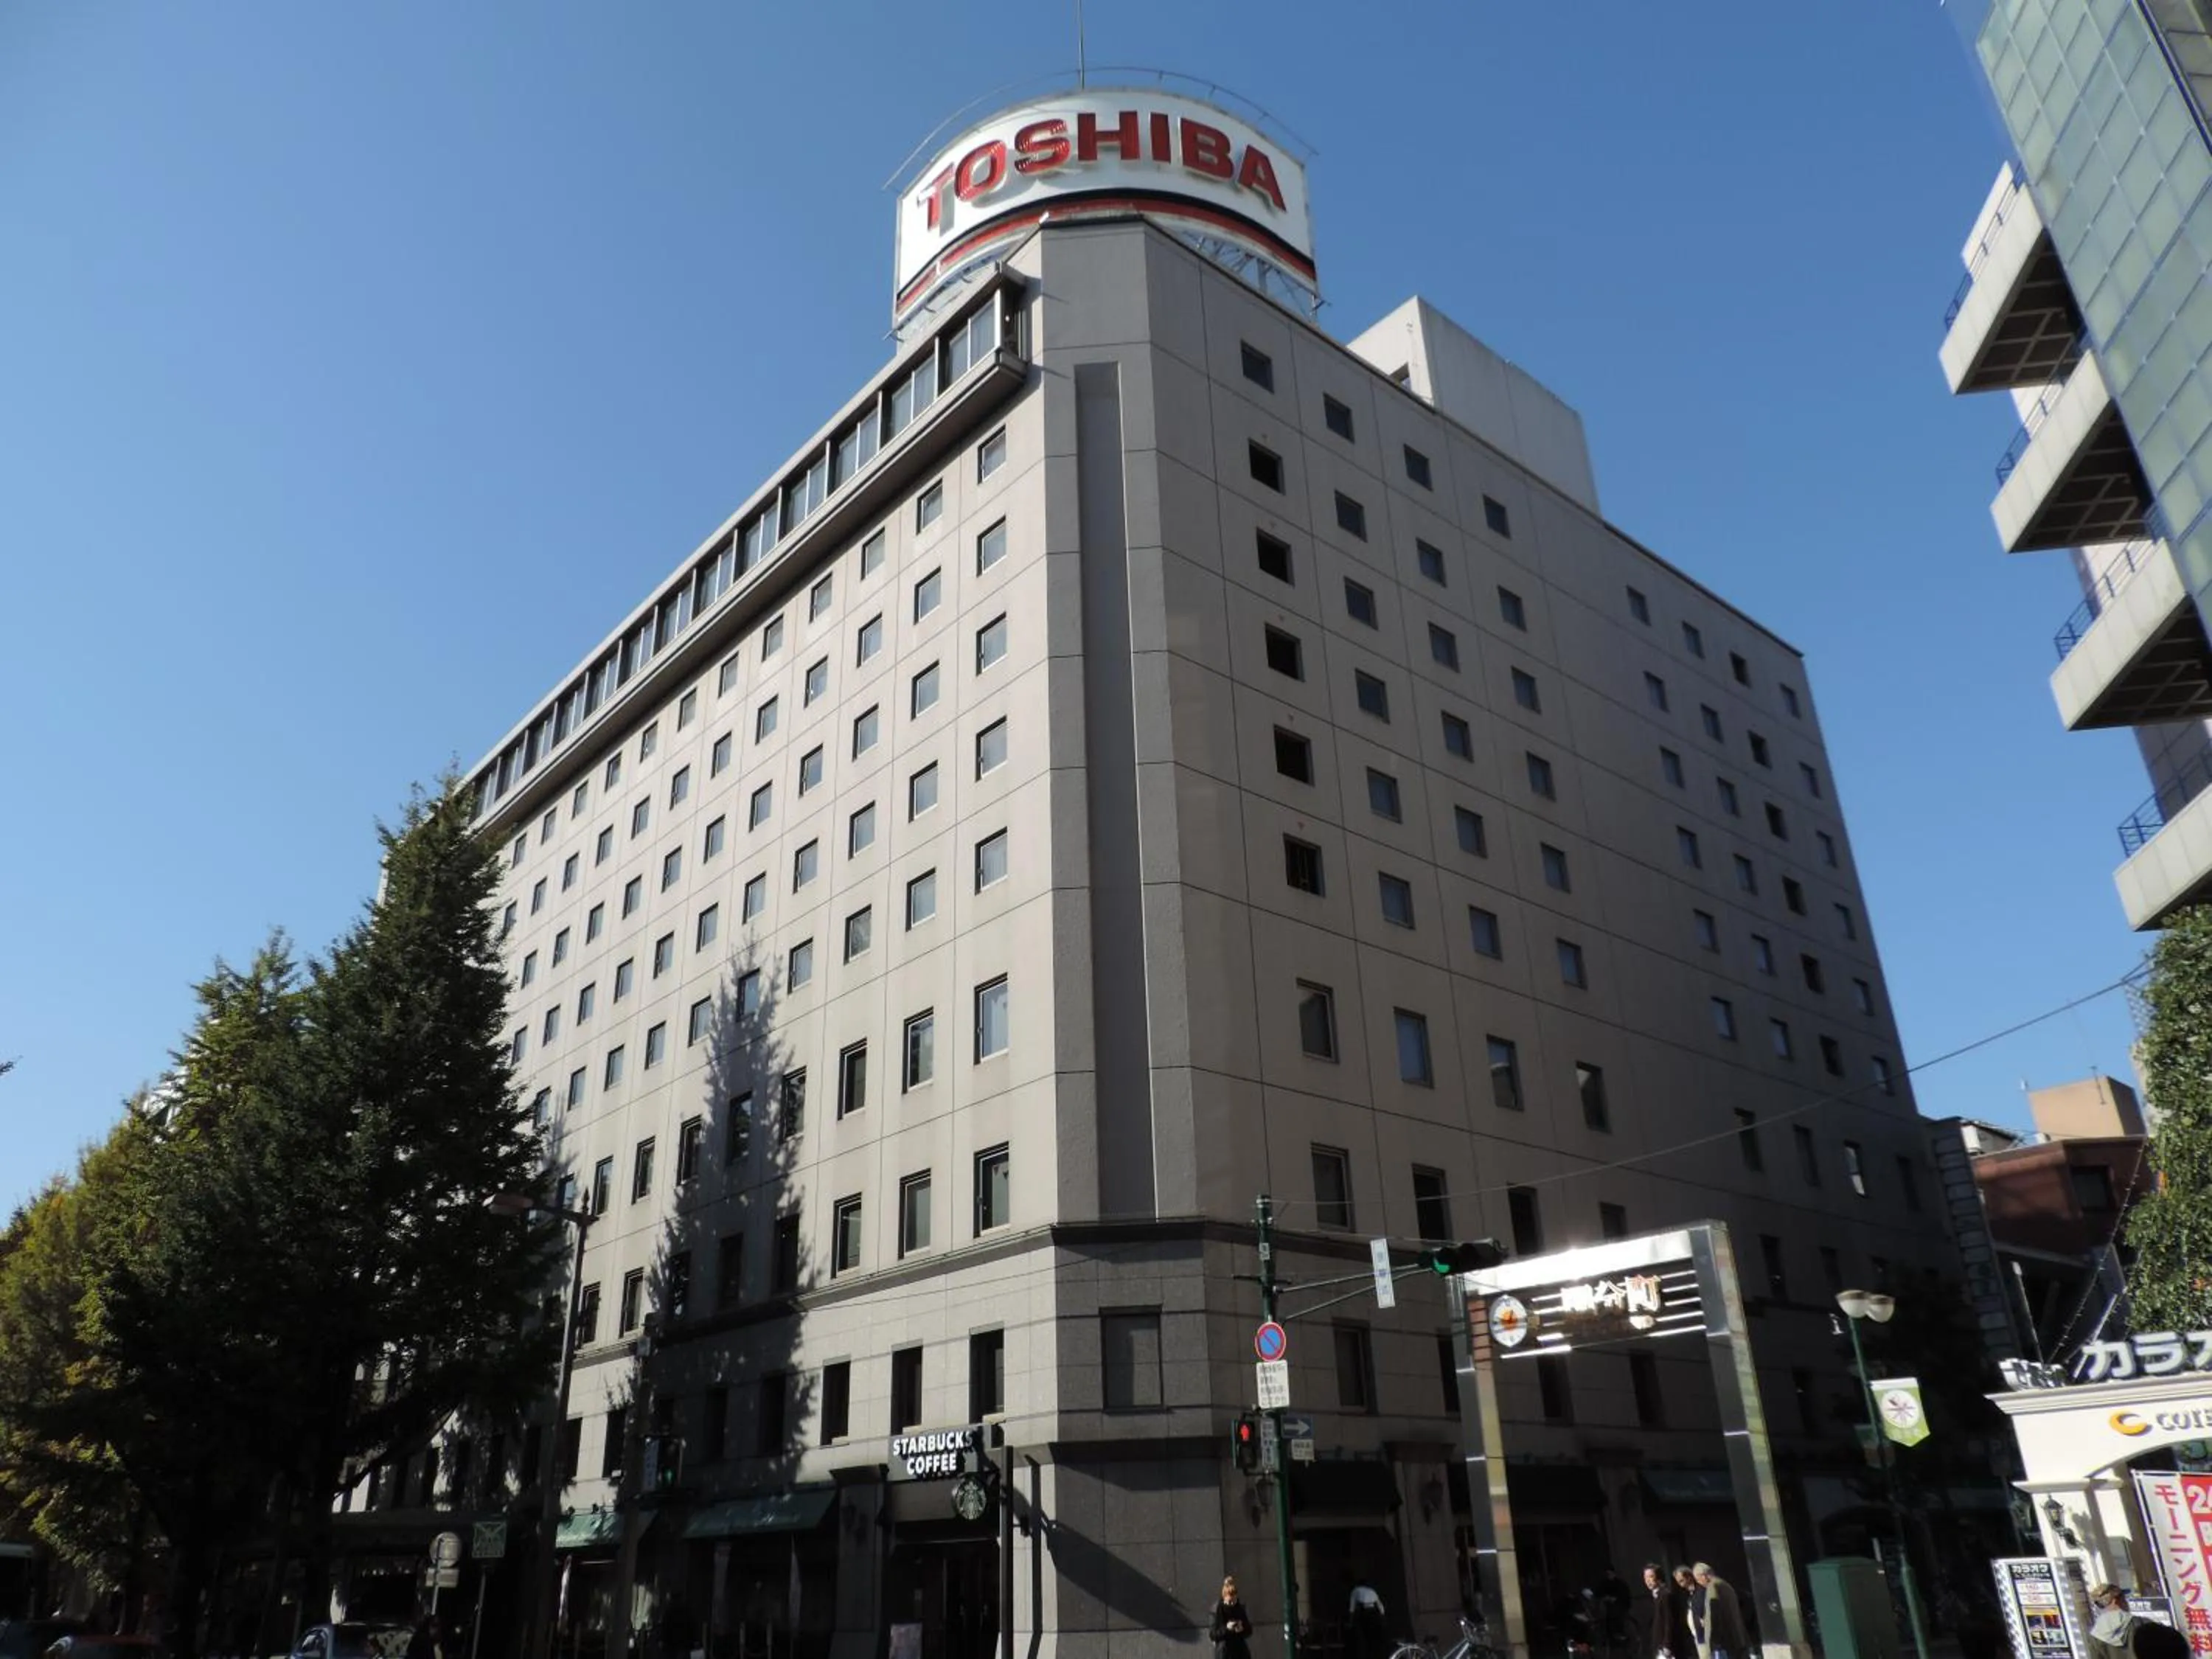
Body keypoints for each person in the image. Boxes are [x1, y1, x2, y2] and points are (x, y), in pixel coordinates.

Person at [1691, 1565, 1749, 1659]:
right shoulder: (1725, 1584)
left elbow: (1712, 1615)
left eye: (1698, 1580)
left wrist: (1710, 1641)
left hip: (1724, 1641)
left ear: (1704, 1576)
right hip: (1737, 1637)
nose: (1699, 1583)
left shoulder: (1712, 1587)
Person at [1642, 1562, 1693, 1659]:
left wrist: (1667, 1645)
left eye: (1651, 1577)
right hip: (1660, 1647)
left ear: (1659, 1577)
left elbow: (1670, 1622)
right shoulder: (1656, 1596)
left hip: (1668, 1649)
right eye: (1645, 1577)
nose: (1648, 1580)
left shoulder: (1665, 1595)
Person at [1210, 1576, 1254, 1659]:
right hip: (1225, 1651)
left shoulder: (1240, 1608)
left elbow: (1249, 1630)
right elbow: (1213, 1634)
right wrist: (1227, 1628)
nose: (1232, 1604)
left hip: (1240, 1651)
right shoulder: (1217, 1610)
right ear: (1224, 1598)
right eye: (1229, 1602)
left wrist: (1242, 1628)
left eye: (1234, 1601)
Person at [1349, 1579, 1388, 1659]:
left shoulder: (1356, 1590)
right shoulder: (1372, 1591)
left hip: (1364, 1613)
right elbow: (1380, 1606)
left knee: (1363, 1638)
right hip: (1374, 1613)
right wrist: (1383, 1619)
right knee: (1373, 1638)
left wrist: (1351, 1622)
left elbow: (1352, 1609)